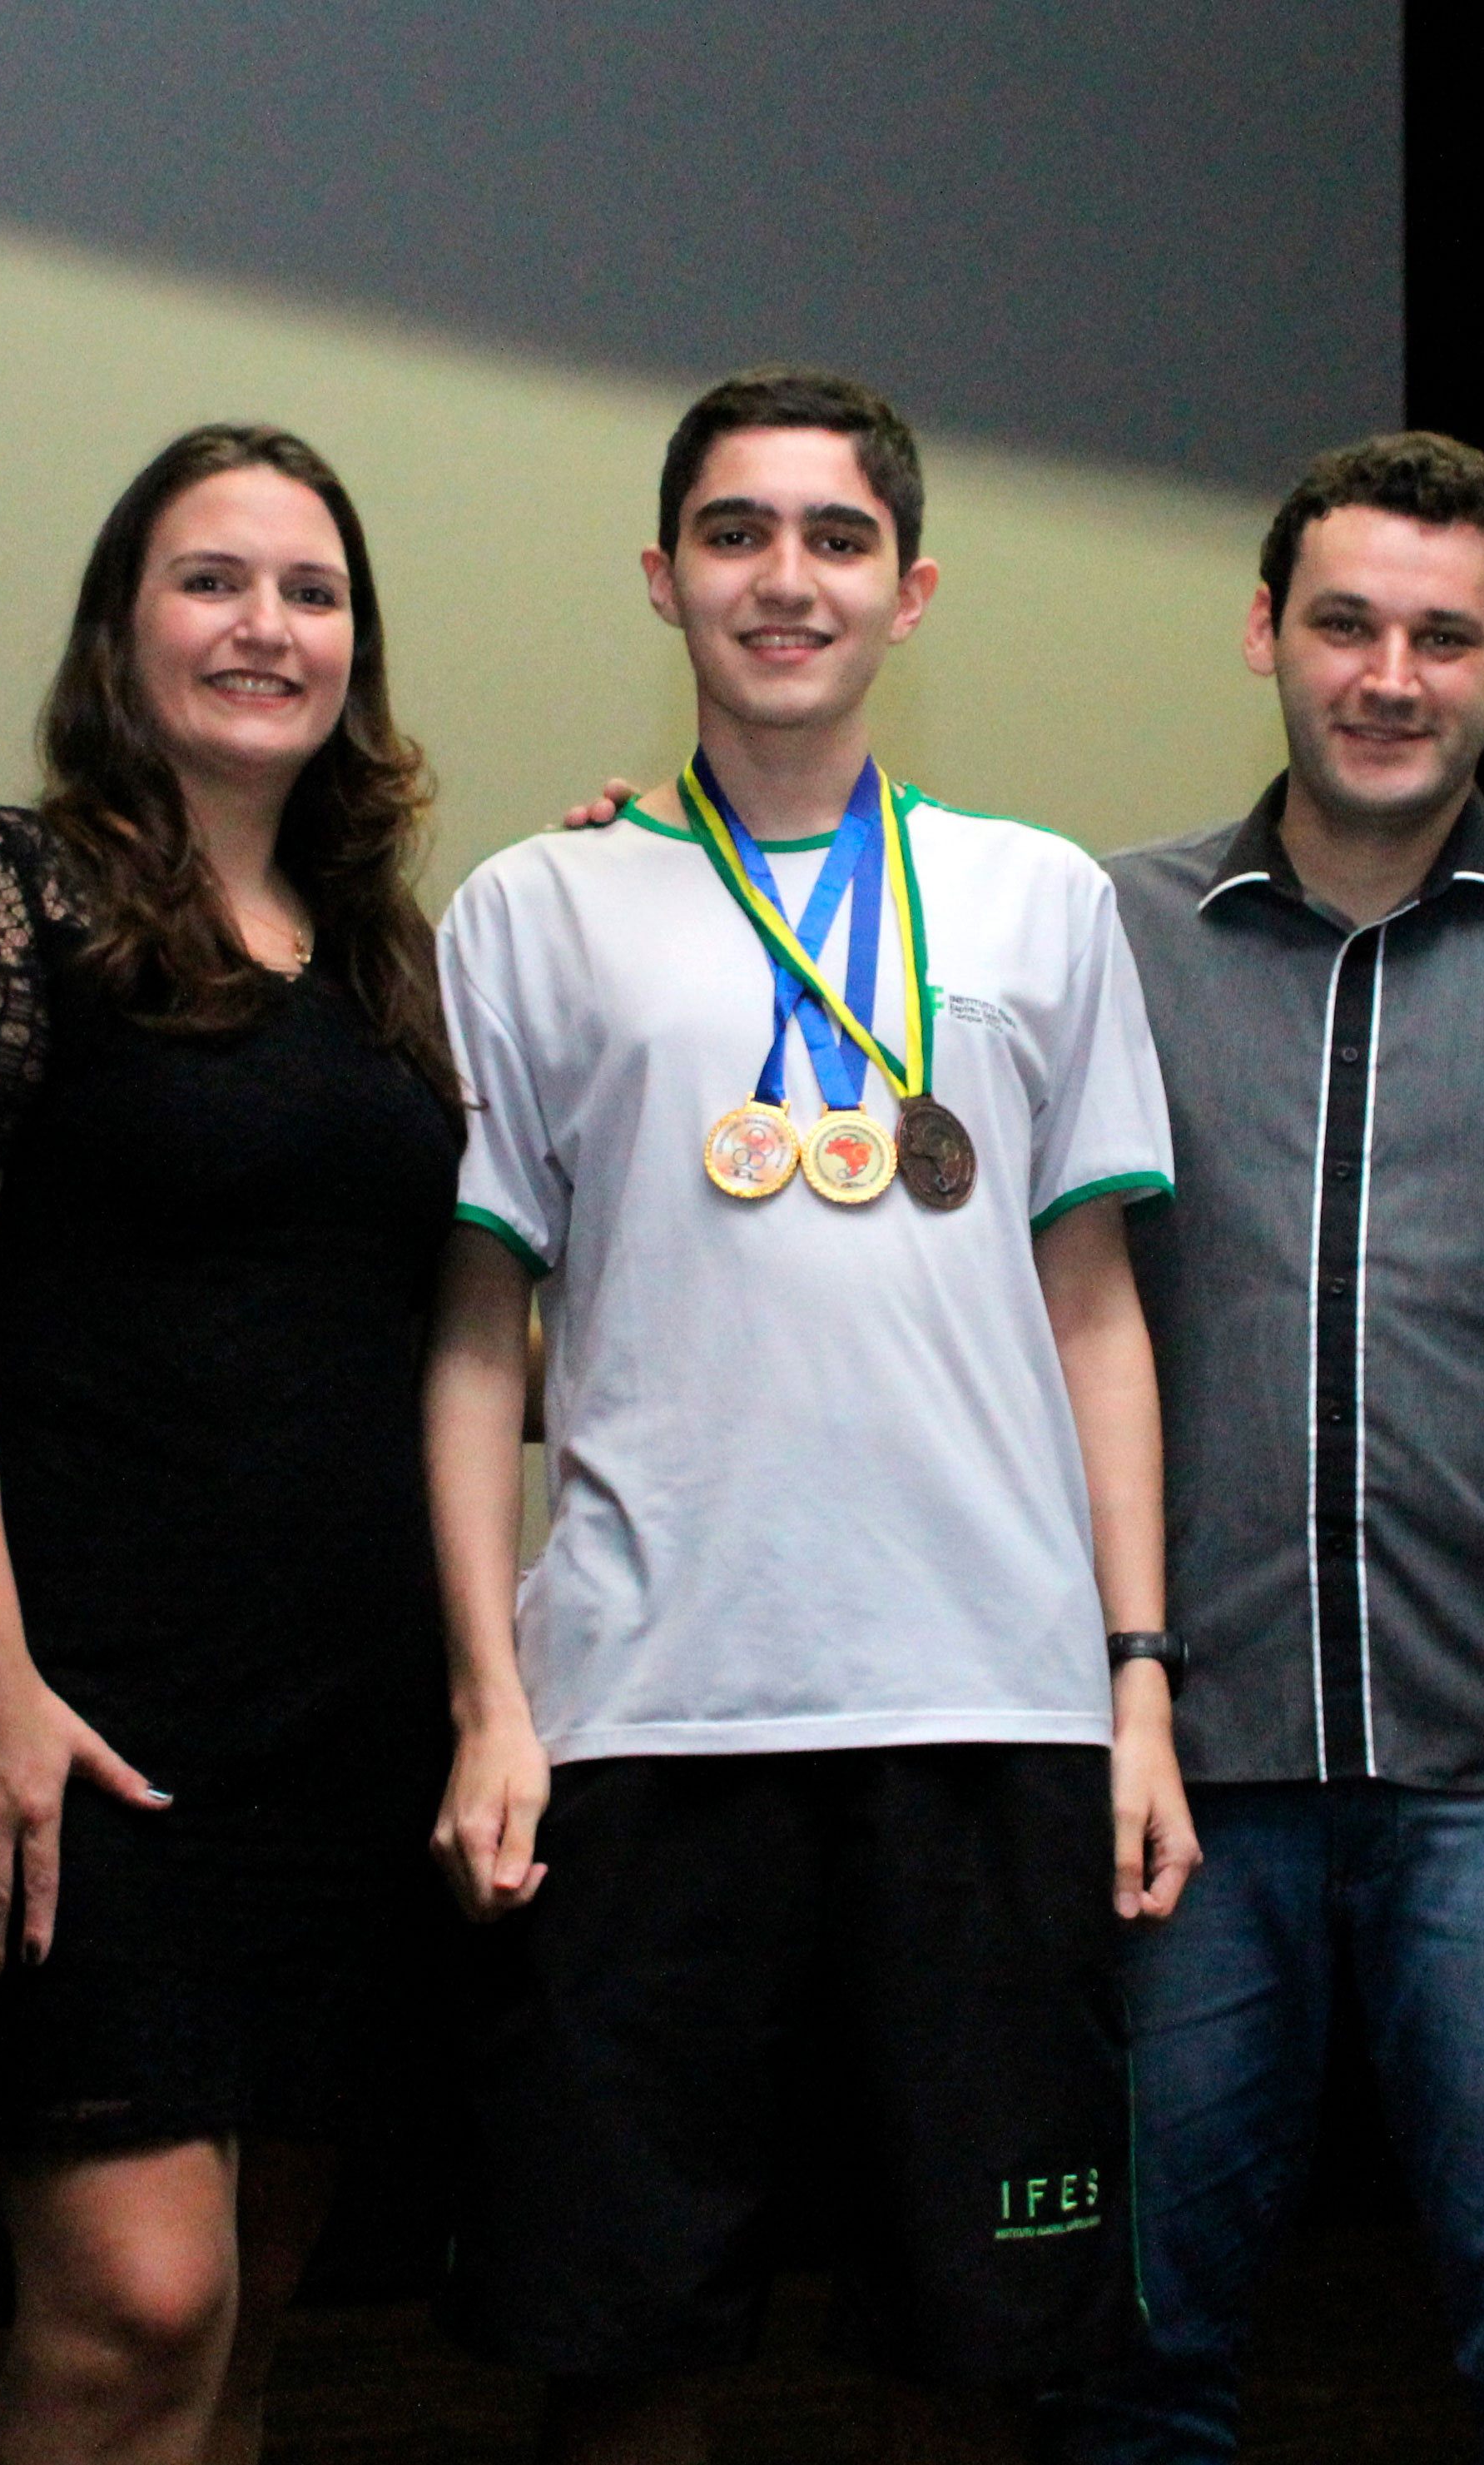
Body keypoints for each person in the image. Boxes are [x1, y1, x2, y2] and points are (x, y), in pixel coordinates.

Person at [426, 365, 1199, 2464]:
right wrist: (492, 1702)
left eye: (838, 537)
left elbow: (1095, 1310)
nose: (787, 577)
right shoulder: (533, 905)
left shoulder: (1040, 896)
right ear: (662, 576)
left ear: (911, 590)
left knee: (980, 2352)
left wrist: (1134, 1684)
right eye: (738, 533)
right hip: (641, 1719)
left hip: (988, 1713)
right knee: (623, 2347)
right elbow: (477, 1338)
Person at [1054, 434, 1484, 2464]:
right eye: (1345, 624)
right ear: (1266, 631)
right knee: (1125, 2367)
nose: (1388, 677)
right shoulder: (1104, 932)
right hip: (1186, 1766)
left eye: (1442, 635)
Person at [0, 424, 461, 2465]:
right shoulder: (4, 886)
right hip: (80, 1716)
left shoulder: (385, 958)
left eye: (310, 590)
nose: (264, 625)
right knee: (138, 2303)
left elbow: (432, 1327)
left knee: (251, 2320)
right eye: (212, 579)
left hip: (347, 1729)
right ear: (123, 625)